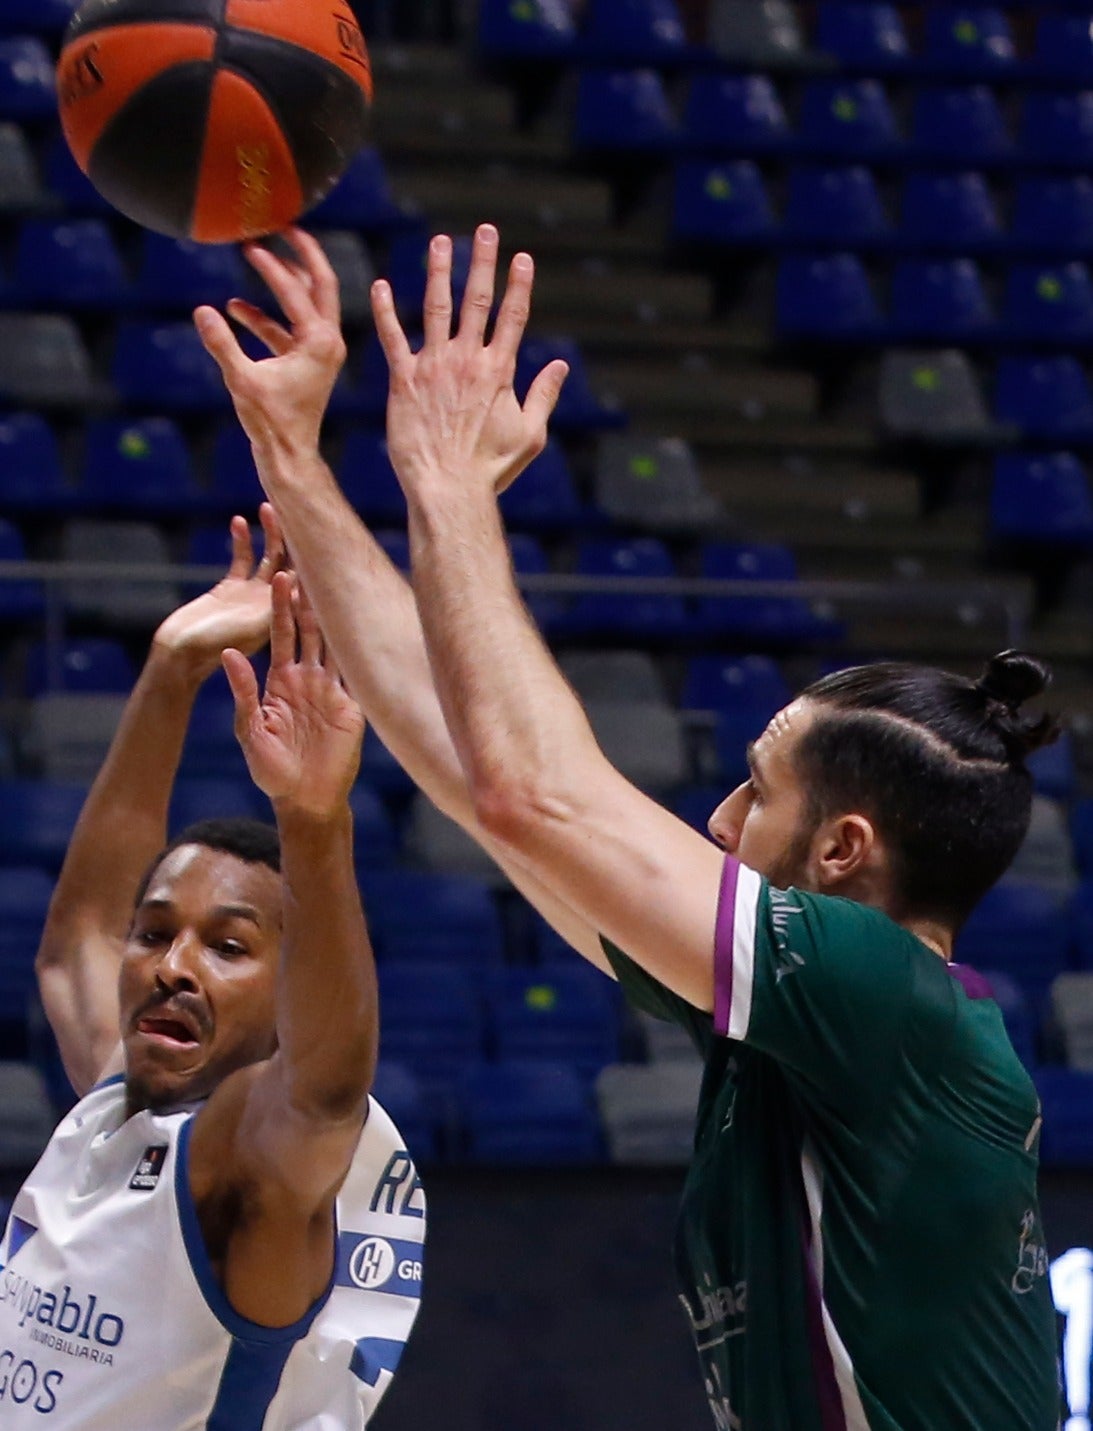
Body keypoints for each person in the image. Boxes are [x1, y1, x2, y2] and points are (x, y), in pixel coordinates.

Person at [195, 227, 1061, 1429]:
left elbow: (530, 794)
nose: (715, 816)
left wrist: (444, 484)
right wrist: (291, 457)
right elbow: (481, 792)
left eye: (757, 789)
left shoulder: (883, 998)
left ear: (841, 852)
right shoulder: (808, 1035)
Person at [0, 519, 424, 1429]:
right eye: (153, 934)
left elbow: (318, 1096)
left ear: (288, 999)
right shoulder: (118, 1105)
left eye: (228, 947)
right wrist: (170, 668)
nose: (173, 967)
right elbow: (75, 936)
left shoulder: (243, 1160)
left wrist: (314, 820)